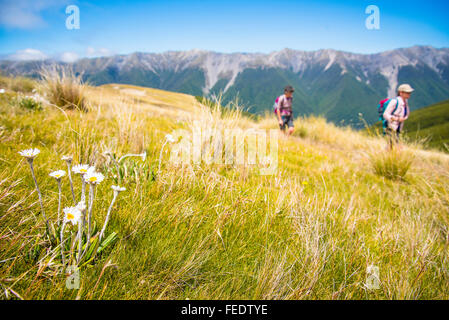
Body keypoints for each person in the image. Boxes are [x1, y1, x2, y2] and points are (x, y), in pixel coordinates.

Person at [382, 84, 414, 150]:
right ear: (401, 92)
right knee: (392, 145)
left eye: (409, 93)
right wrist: (396, 119)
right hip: (391, 127)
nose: (409, 94)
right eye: (407, 92)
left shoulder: (405, 103)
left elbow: (406, 115)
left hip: (398, 128)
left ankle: (387, 157)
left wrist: (403, 119)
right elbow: (385, 114)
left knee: (392, 145)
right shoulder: (395, 102)